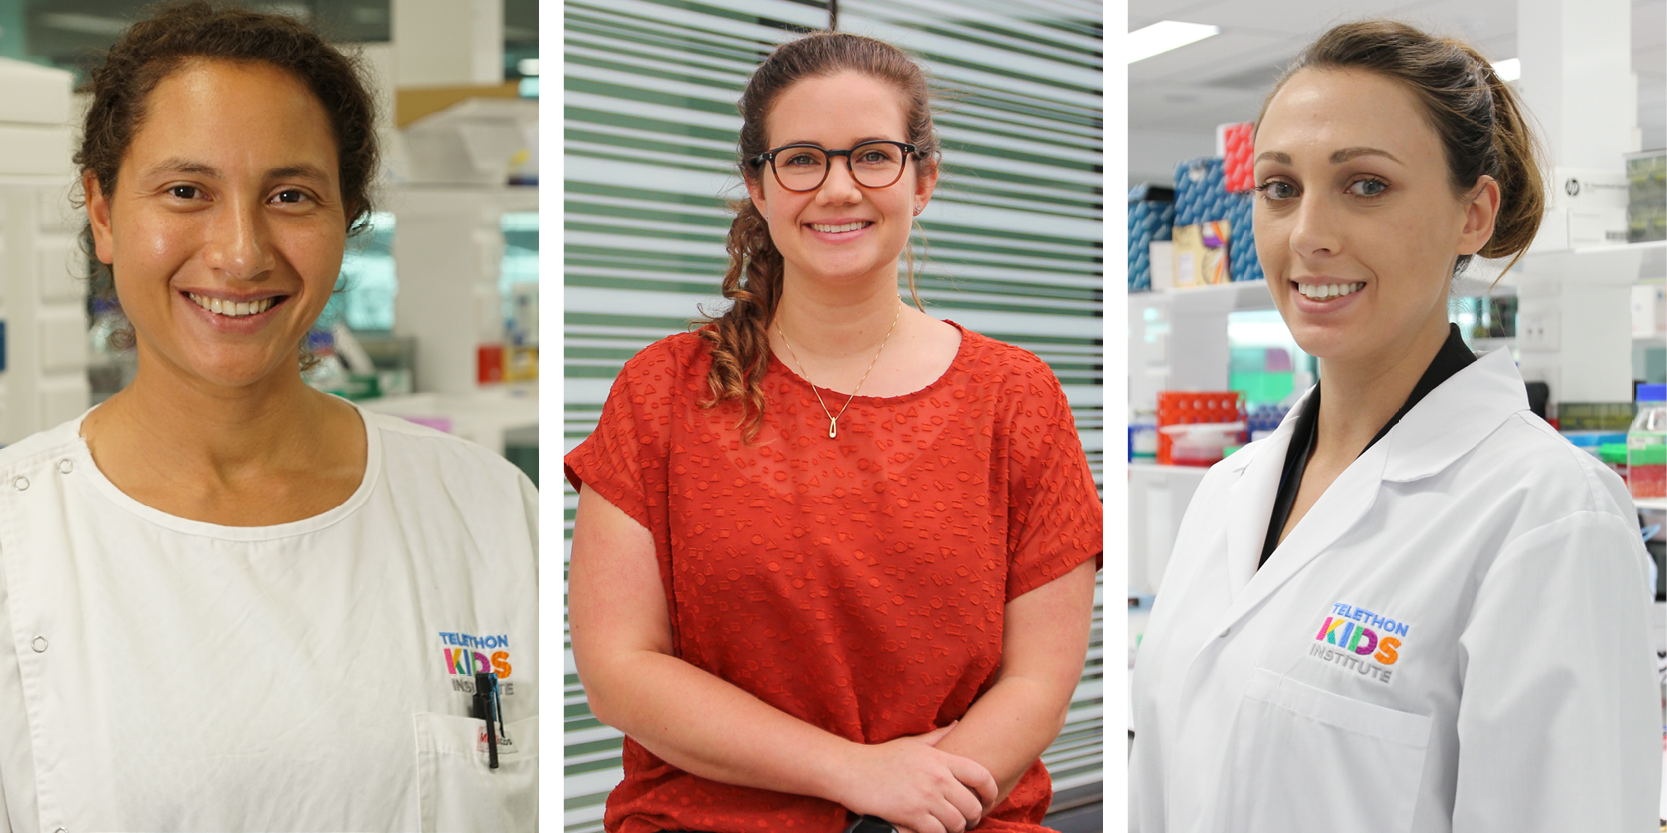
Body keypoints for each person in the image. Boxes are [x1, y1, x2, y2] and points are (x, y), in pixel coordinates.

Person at [0, 4, 538, 830]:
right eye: (186, 191)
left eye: (290, 194)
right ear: (103, 213)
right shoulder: (20, 536)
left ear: (344, 218)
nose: (241, 251)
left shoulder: (491, 512)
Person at [1129, 19, 1659, 833]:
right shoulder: (1226, 492)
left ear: (1472, 214)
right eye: (1279, 188)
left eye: (1365, 185)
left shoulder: (1546, 514)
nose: (1308, 233)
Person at [565, 31, 1102, 833]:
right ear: (759, 184)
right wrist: (857, 774)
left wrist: (911, 809)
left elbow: (1037, 681)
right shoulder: (662, 391)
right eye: (802, 159)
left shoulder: (1014, 397)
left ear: (922, 179)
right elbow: (618, 669)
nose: (838, 188)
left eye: (872, 156)